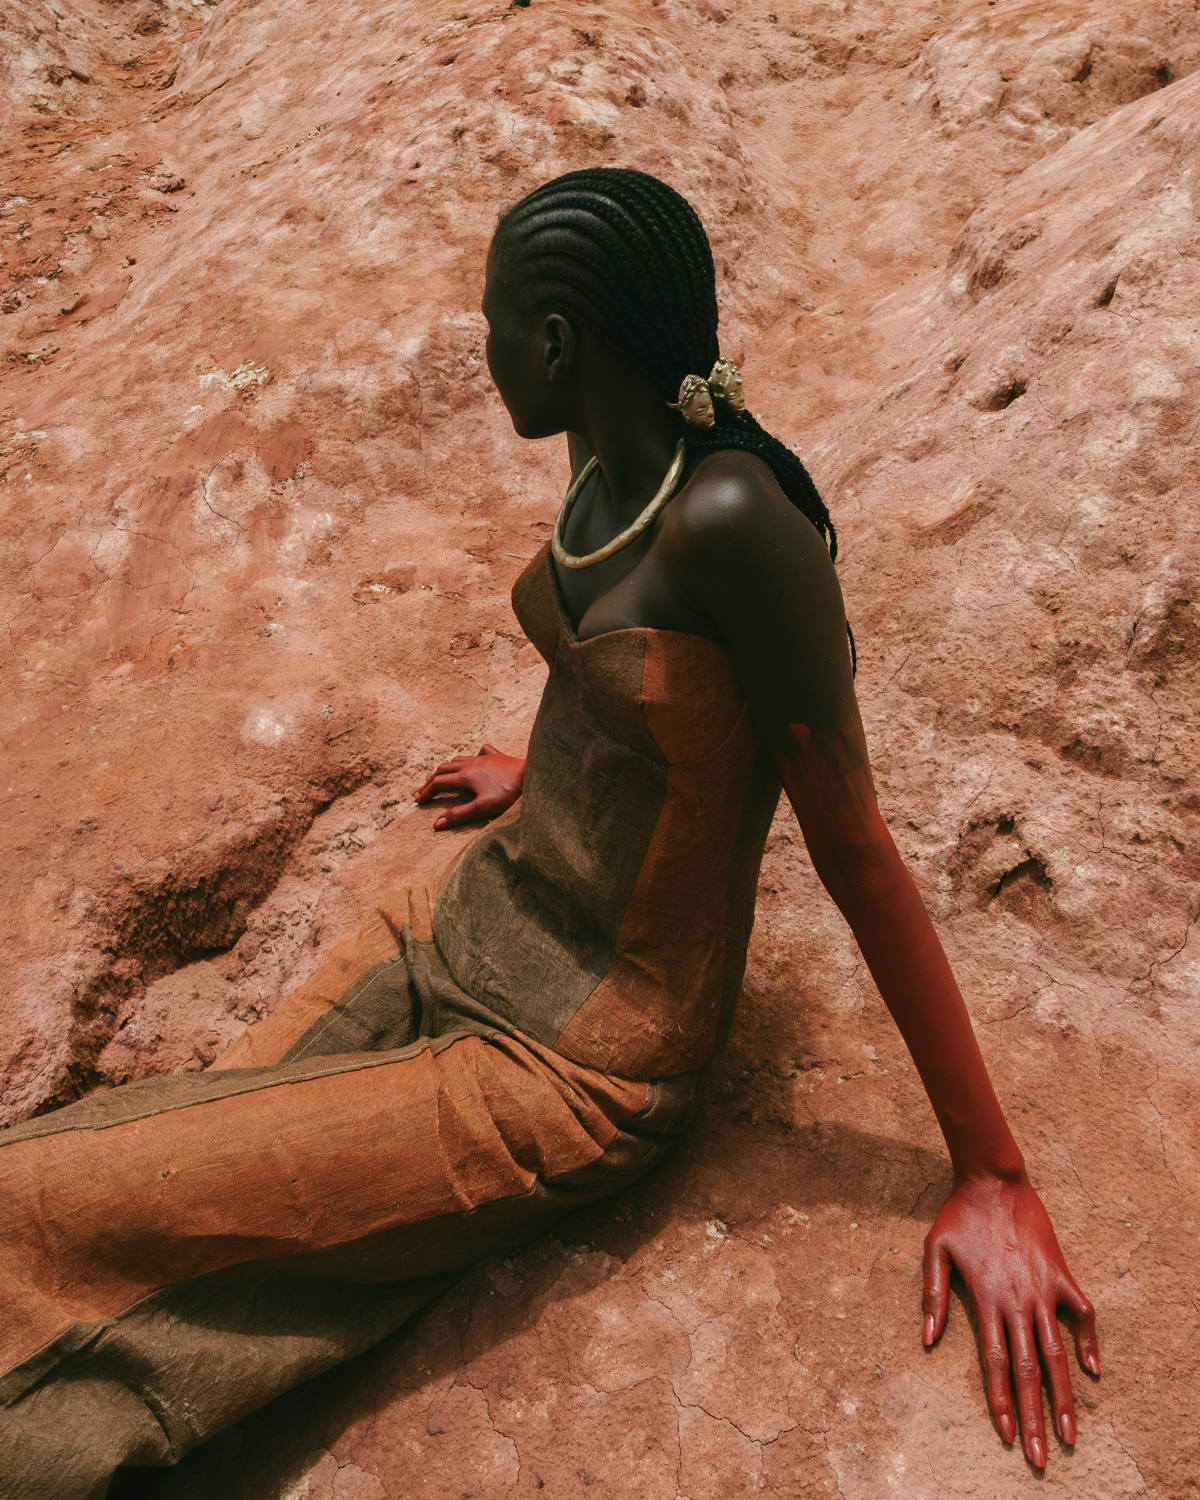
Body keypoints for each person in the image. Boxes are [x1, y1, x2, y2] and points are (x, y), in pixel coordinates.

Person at [0, 166, 1098, 1496]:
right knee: (176, 1174)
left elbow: (854, 845)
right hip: (461, 920)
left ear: (559, 346)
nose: (484, 349)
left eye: (492, 324)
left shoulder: (733, 518)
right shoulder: (605, 455)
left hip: (576, 1065)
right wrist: (563, 751)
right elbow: (652, 674)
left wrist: (992, 1170)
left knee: (51, 1205)